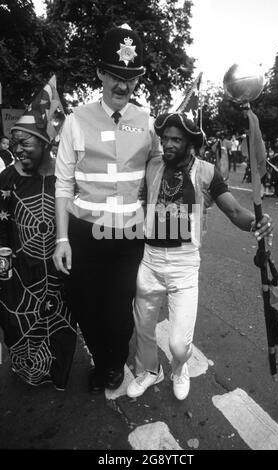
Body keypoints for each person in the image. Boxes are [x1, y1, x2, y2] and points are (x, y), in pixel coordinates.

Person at [126, 112, 273, 401]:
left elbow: (234, 211)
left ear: (190, 143)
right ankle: (150, 371)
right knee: (143, 329)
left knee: (179, 344)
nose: (167, 144)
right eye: (165, 138)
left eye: (175, 139)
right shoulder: (152, 166)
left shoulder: (206, 172)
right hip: (150, 260)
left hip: (184, 265)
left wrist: (255, 222)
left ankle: (179, 369)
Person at [53, 24, 162, 394]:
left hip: (129, 236)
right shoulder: (75, 121)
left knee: (118, 316)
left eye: (130, 78)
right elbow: (63, 184)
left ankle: (113, 364)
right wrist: (62, 238)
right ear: (100, 72)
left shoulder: (149, 123)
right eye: (115, 75)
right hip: (85, 235)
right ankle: (103, 358)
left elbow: (168, 175)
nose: (122, 86)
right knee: (86, 309)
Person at [0, 79, 76, 391]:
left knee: (60, 323)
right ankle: (28, 371)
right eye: (13, 143)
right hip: (21, 270)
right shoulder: (7, 179)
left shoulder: (64, 176)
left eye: (25, 144)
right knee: (19, 323)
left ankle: (57, 374)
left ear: (44, 144)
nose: (17, 150)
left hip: (58, 267)